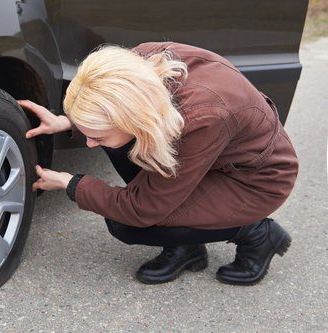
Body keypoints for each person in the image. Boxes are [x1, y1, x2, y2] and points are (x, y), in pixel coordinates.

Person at [17, 41, 298, 286]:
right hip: (207, 157)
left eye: (95, 135)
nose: (89, 143)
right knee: (120, 144)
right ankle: (187, 248)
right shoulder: (136, 67)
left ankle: (257, 232)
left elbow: (140, 208)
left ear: (134, 118)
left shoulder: (201, 118)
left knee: (128, 223)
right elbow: (115, 114)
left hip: (254, 180)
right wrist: (69, 121)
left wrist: (71, 184)